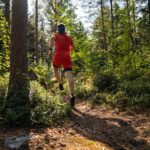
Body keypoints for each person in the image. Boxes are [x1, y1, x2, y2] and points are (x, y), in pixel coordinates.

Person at [46, 24, 75, 107]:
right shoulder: (69, 37)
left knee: (55, 69)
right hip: (67, 56)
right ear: (64, 29)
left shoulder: (55, 35)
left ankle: (60, 83)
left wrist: (50, 51)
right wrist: (68, 52)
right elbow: (72, 48)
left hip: (58, 55)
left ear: (58, 29)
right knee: (69, 75)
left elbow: (51, 40)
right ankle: (72, 94)